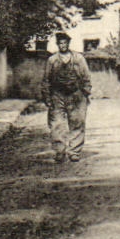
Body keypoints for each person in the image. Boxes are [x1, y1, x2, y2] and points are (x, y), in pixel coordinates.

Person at [43, 33, 93, 162]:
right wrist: (47, 97)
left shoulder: (78, 58)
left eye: (65, 43)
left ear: (68, 44)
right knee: (57, 124)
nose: (63, 45)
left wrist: (85, 93)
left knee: (77, 122)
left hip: (76, 94)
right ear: (57, 44)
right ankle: (59, 151)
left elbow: (86, 76)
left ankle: (74, 151)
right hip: (57, 95)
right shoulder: (52, 60)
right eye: (60, 43)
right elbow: (46, 79)